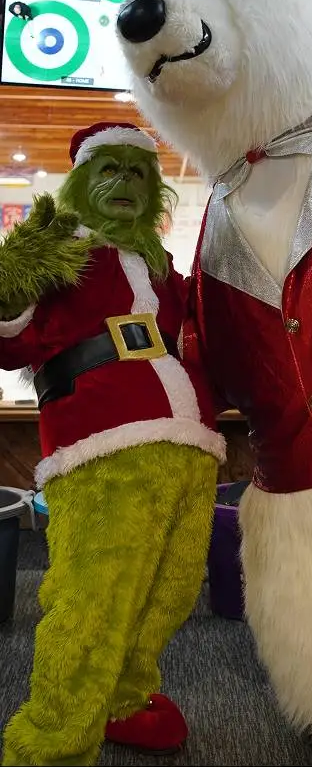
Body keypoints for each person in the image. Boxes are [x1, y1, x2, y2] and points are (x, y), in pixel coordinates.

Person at [0, 122, 225, 767]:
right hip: (101, 447)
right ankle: (51, 740)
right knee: (93, 598)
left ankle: (123, 699)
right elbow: (12, 337)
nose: (124, 183)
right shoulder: (61, 246)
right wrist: (16, 278)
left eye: (137, 172)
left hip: (190, 445)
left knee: (171, 590)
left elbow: (195, 337)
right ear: (80, 181)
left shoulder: (159, 262)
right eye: (109, 170)